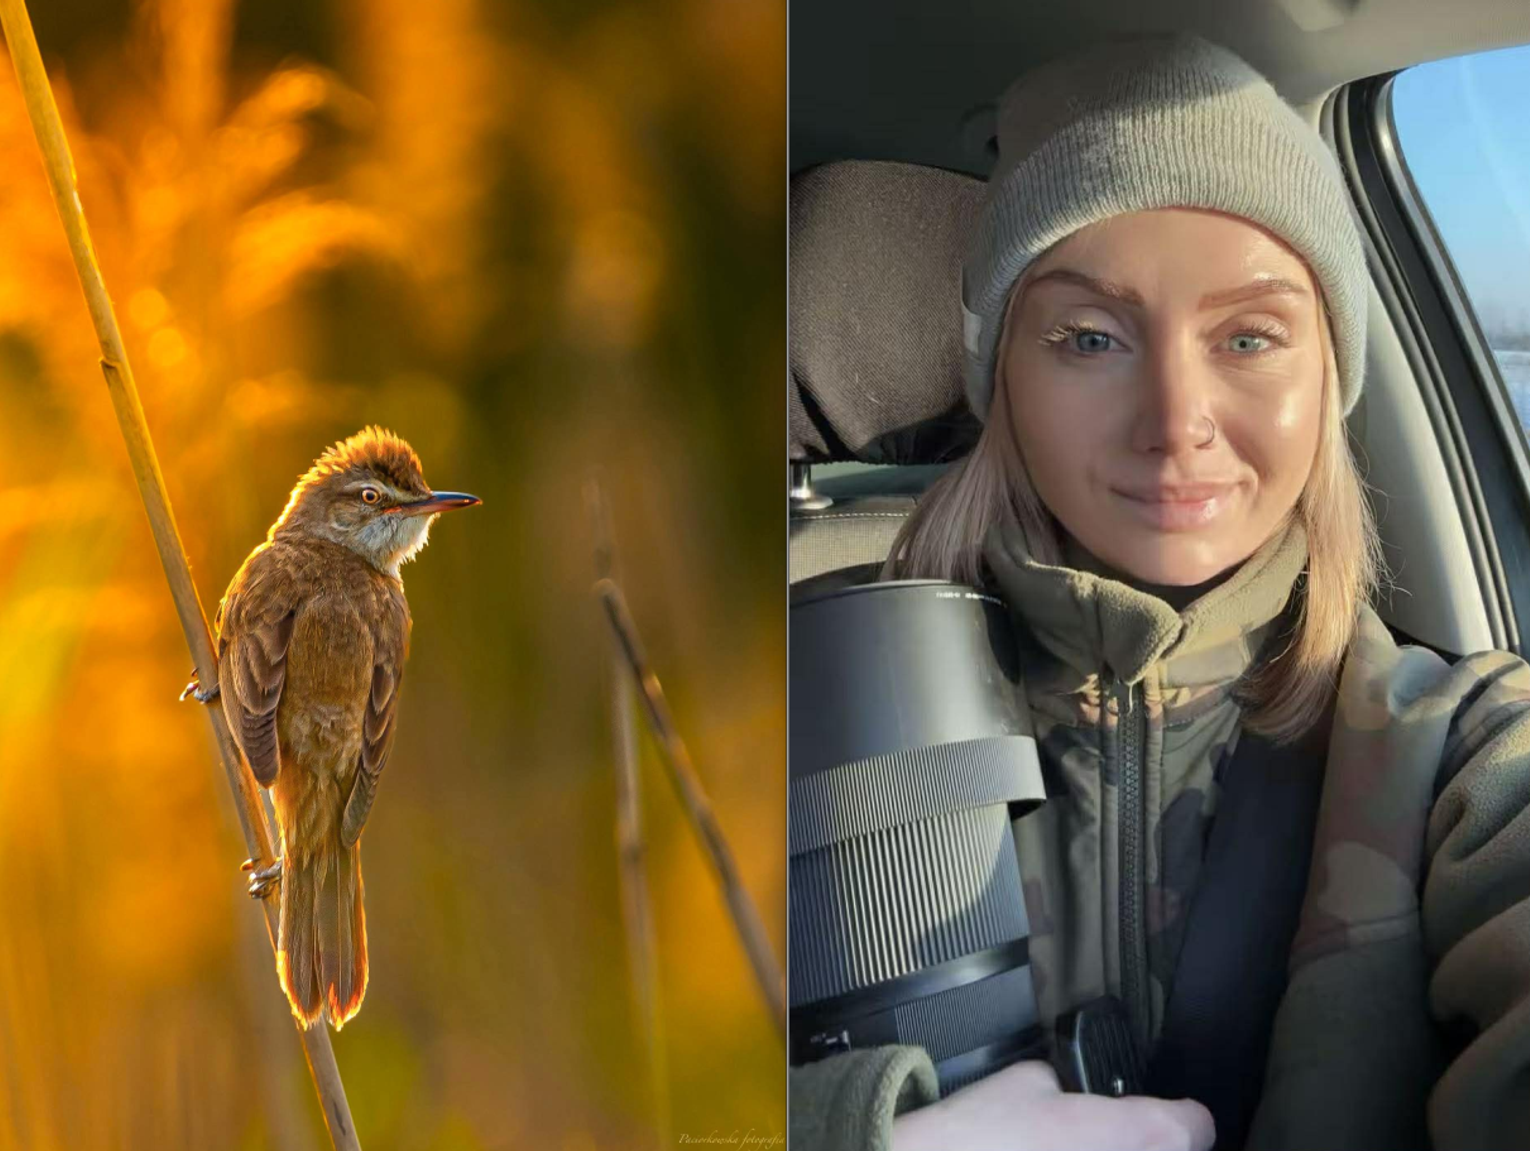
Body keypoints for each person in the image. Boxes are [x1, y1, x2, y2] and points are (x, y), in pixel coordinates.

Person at [788, 34, 1530, 1151]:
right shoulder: (767, 702)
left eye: (1249, 335)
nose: (1175, 418)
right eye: (1088, 337)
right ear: (1003, 383)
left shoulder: (1462, 750)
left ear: (1328, 375)